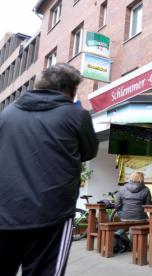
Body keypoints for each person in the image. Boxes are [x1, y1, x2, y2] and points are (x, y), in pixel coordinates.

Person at [0, 63, 99, 276]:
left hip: (5, 212)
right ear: (70, 90)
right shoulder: (76, 115)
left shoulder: (7, 114)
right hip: (52, 215)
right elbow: (89, 152)